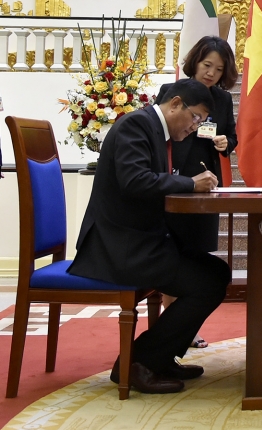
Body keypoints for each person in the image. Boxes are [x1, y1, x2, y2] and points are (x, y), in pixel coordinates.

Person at [69, 79, 230, 393]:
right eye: (195, 117)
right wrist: (189, 184)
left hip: (141, 239)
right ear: (175, 104)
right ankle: (138, 362)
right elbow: (135, 180)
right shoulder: (137, 126)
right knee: (207, 281)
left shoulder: (155, 130)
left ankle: (160, 357)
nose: (196, 126)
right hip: (120, 245)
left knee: (216, 272)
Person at [157, 36, 238, 348]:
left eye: (218, 69)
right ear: (196, 62)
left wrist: (224, 143)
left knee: (199, 252)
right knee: (173, 252)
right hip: (175, 177)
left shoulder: (222, 99)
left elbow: (231, 137)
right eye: (207, 66)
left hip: (207, 180)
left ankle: (184, 322)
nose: (211, 74)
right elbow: (159, 131)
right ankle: (176, 324)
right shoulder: (171, 92)